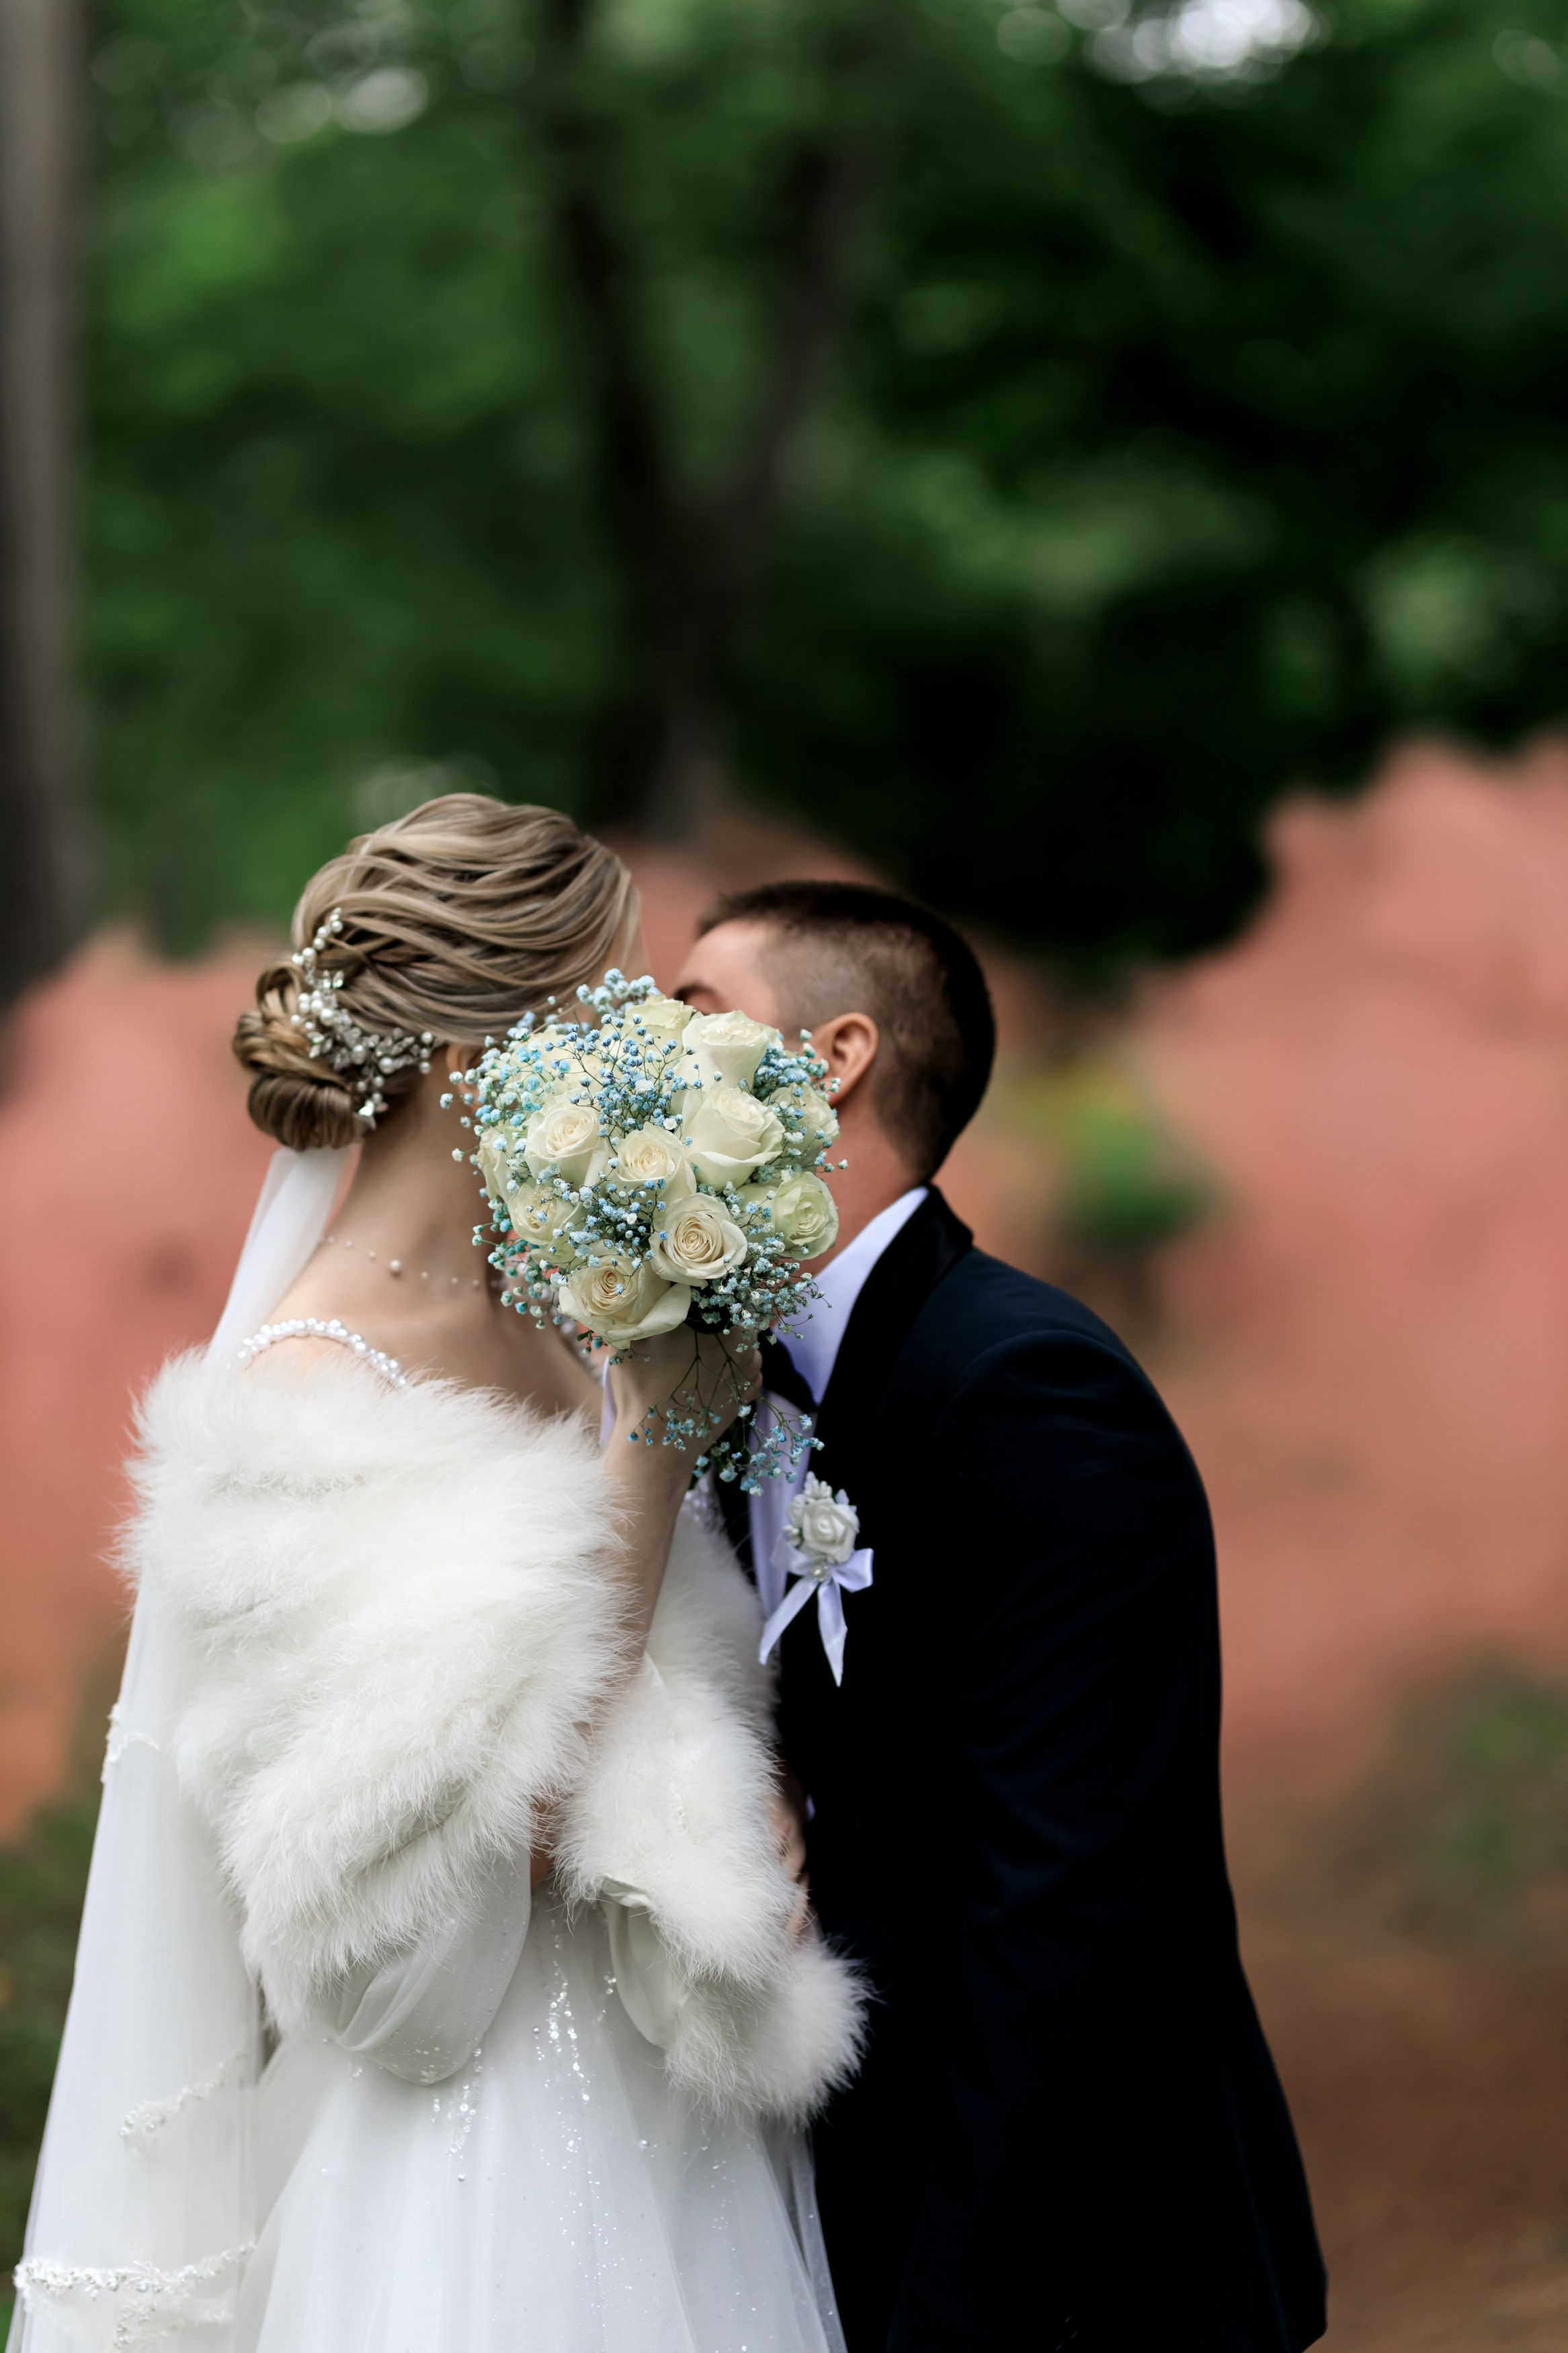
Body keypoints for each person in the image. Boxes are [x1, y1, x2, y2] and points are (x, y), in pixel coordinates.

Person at [9, 799, 863, 2353]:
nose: (650, 1058)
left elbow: (644, 1685)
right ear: (478, 1064)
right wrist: (651, 1455)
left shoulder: (584, 1321)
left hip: (684, 2116)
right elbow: (410, 1974)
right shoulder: (299, 1414)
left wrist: (737, 1797)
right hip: (479, 2174)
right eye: (608, 1012)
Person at [674, 880, 1328, 2353]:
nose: (645, 1044)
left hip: (1065, 2257)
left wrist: (951, 2314)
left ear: (832, 1055)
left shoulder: (1032, 1392)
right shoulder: (714, 1373)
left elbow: (1073, 1901)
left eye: (693, 1009)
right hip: (841, 2198)